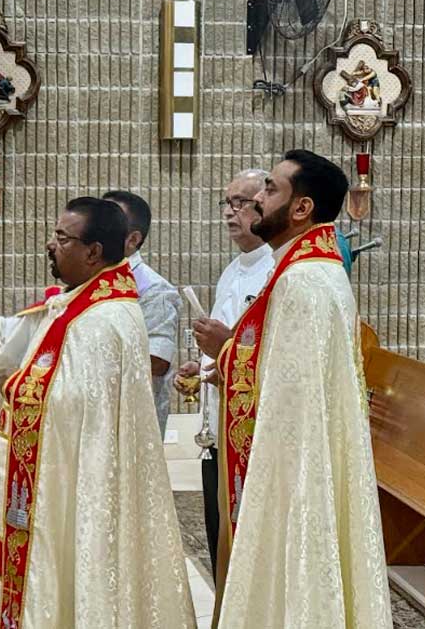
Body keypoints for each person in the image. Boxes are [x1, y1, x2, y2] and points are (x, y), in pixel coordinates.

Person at [0, 197, 195, 629]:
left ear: (93, 252)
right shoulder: (74, 304)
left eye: (62, 238)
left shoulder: (107, 319)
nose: (50, 245)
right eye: (54, 235)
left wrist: (15, 386)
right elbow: (7, 336)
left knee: (61, 572)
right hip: (46, 478)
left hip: (69, 485)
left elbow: (73, 404)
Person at [193, 150, 392, 628]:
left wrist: (226, 354)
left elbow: (292, 405)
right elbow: (281, 373)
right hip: (294, 456)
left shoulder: (305, 281)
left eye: (270, 190)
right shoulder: (304, 269)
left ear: (301, 208)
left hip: (295, 469)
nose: (257, 201)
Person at [172, 169, 272, 583]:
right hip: (218, 430)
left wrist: (225, 349)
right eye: (225, 203)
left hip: (254, 432)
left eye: (240, 203)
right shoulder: (233, 269)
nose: (230, 213)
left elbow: (273, 352)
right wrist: (203, 367)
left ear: (266, 207)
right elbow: (226, 342)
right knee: (220, 542)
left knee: (249, 548)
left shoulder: (275, 270)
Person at [104, 191, 181, 439]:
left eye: (106, 222)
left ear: (133, 239)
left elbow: (156, 362)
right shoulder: (90, 282)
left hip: (134, 429)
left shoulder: (153, 288)